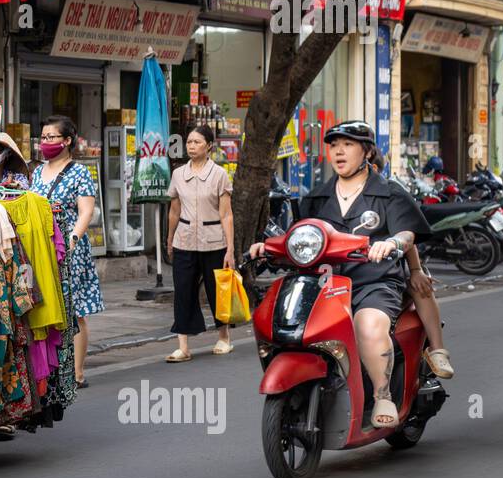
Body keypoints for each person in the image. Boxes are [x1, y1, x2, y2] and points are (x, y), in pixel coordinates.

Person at [249, 121, 430, 428]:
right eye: (333, 146)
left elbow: (407, 233)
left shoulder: (388, 193)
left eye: (347, 144)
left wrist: (392, 243)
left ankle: (382, 393)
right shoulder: (316, 198)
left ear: (367, 151)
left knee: (369, 327)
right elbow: (302, 238)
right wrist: (267, 247)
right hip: (324, 284)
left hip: (373, 281)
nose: (339, 151)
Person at [367, 147, 454, 379]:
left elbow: (408, 239)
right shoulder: (335, 195)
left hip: (389, 267)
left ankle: (437, 349)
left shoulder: (390, 194)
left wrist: (415, 271)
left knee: (421, 285)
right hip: (351, 271)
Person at [31, 115, 104, 388]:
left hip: (70, 250)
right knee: (47, 306)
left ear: (67, 140)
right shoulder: (37, 172)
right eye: (44, 137)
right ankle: (50, 370)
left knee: (75, 310)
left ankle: (77, 371)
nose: (46, 142)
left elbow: (86, 211)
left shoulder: (80, 173)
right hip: (41, 247)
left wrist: (74, 236)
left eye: (51, 137)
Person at [165, 125, 236, 362]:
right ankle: (183, 346)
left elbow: (226, 214)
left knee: (217, 291)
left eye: (197, 142)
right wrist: (169, 237)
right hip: (184, 239)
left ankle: (224, 337)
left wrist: (230, 249)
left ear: (209, 146)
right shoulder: (178, 174)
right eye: (189, 142)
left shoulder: (219, 174)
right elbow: (174, 211)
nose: (191, 146)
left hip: (213, 241)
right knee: (183, 290)